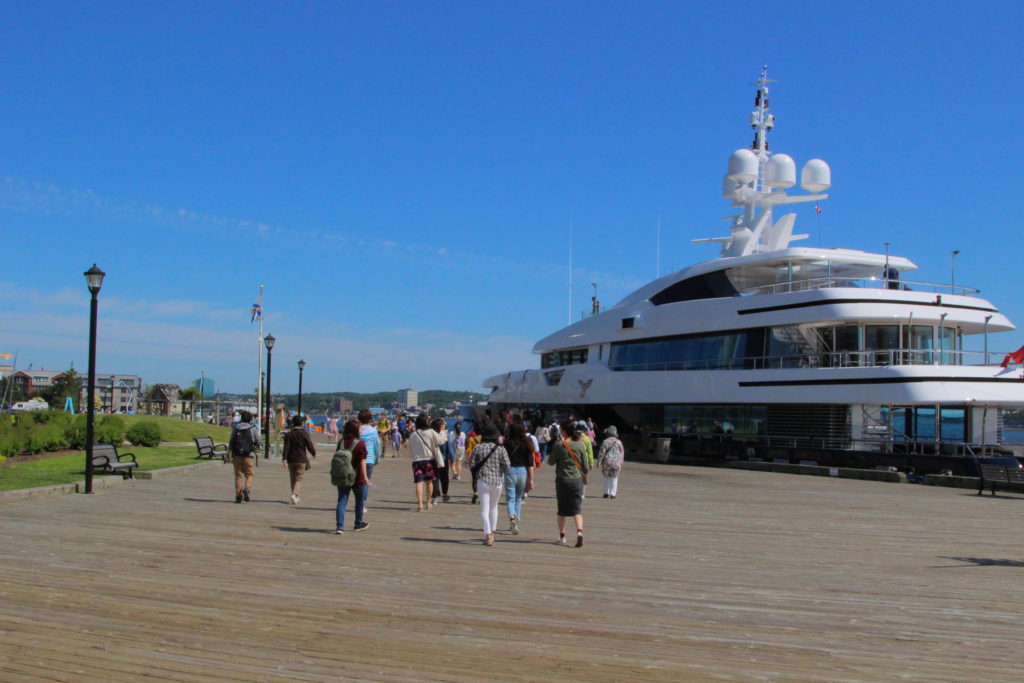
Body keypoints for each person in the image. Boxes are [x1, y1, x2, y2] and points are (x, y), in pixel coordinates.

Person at [547, 422, 588, 547]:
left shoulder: (560, 445)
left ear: (564, 431)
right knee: (577, 509)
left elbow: (550, 462)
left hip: (563, 480)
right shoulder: (580, 445)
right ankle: (579, 532)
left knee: (562, 510)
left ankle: (562, 537)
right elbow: (585, 467)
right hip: (577, 480)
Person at [469, 421, 510, 546]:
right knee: (494, 507)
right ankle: (493, 533)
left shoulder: (478, 447)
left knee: (484, 509)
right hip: (497, 481)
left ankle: (488, 535)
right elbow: (507, 465)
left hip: (483, 481)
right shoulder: (501, 449)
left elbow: (471, 465)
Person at [334, 420, 370, 533]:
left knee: (342, 500)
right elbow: (363, 461)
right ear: (356, 430)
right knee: (359, 500)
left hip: (343, 475)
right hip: (356, 476)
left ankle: (340, 526)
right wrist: (365, 476)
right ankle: (358, 523)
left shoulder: (341, 442)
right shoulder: (360, 444)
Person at [408, 414, 446, 511]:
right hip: (429, 460)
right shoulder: (430, 432)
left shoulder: (413, 435)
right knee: (429, 482)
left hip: (417, 461)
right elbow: (441, 441)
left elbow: (409, 450)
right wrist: (442, 431)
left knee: (419, 483)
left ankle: (420, 505)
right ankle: (428, 503)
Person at [503, 423, 535, 534]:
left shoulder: (507, 444)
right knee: (518, 498)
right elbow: (530, 463)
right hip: (522, 472)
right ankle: (515, 521)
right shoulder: (526, 444)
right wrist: (531, 479)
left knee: (510, 498)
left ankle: (512, 518)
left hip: (510, 470)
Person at [282, 414, 317, 505]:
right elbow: (309, 445)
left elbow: (286, 448)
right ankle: (295, 494)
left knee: (292, 478)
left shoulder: (288, 434)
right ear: (302, 423)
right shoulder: (304, 434)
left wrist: (284, 459)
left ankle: (295, 496)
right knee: (299, 478)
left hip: (291, 459)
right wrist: (313, 453)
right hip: (301, 459)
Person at [228, 410, 262, 503]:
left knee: (238, 476)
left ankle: (238, 495)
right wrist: (258, 445)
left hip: (237, 455)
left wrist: (229, 452)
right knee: (249, 474)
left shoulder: (236, 428)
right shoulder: (253, 429)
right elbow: (259, 442)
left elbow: (231, 441)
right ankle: (247, 488)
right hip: (249, 455)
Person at [357, 410, 382, 517]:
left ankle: (358, 503)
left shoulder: (357, 430)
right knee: (366, 482)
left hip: (358, 459)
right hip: (370, 459)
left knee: (358, 482)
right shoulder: (373, 431)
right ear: (370, 419)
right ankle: (362, 505)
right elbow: (377, 445)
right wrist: (378, 458)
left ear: (359, 419)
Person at [596, 425, 624, 499]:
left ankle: (606, 493)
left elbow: (601, 452)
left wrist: (599, 462)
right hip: (616, 463)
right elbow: (622, 452)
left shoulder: (605, 442)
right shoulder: (619, 442)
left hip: (606, 463)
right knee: (614, 478)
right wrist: (621, 462)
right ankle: (613, 494)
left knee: (606, 477)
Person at [430, 417, 451, 504]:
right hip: (444, 459)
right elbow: (449, 448)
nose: (445, 425)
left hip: (433, 459)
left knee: (435, 477)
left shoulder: (431, 435)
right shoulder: (445, 435)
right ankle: (444, 494)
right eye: (443, 424)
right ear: (441, 426)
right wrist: (452, 458)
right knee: (444, 477)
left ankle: (435, 497)